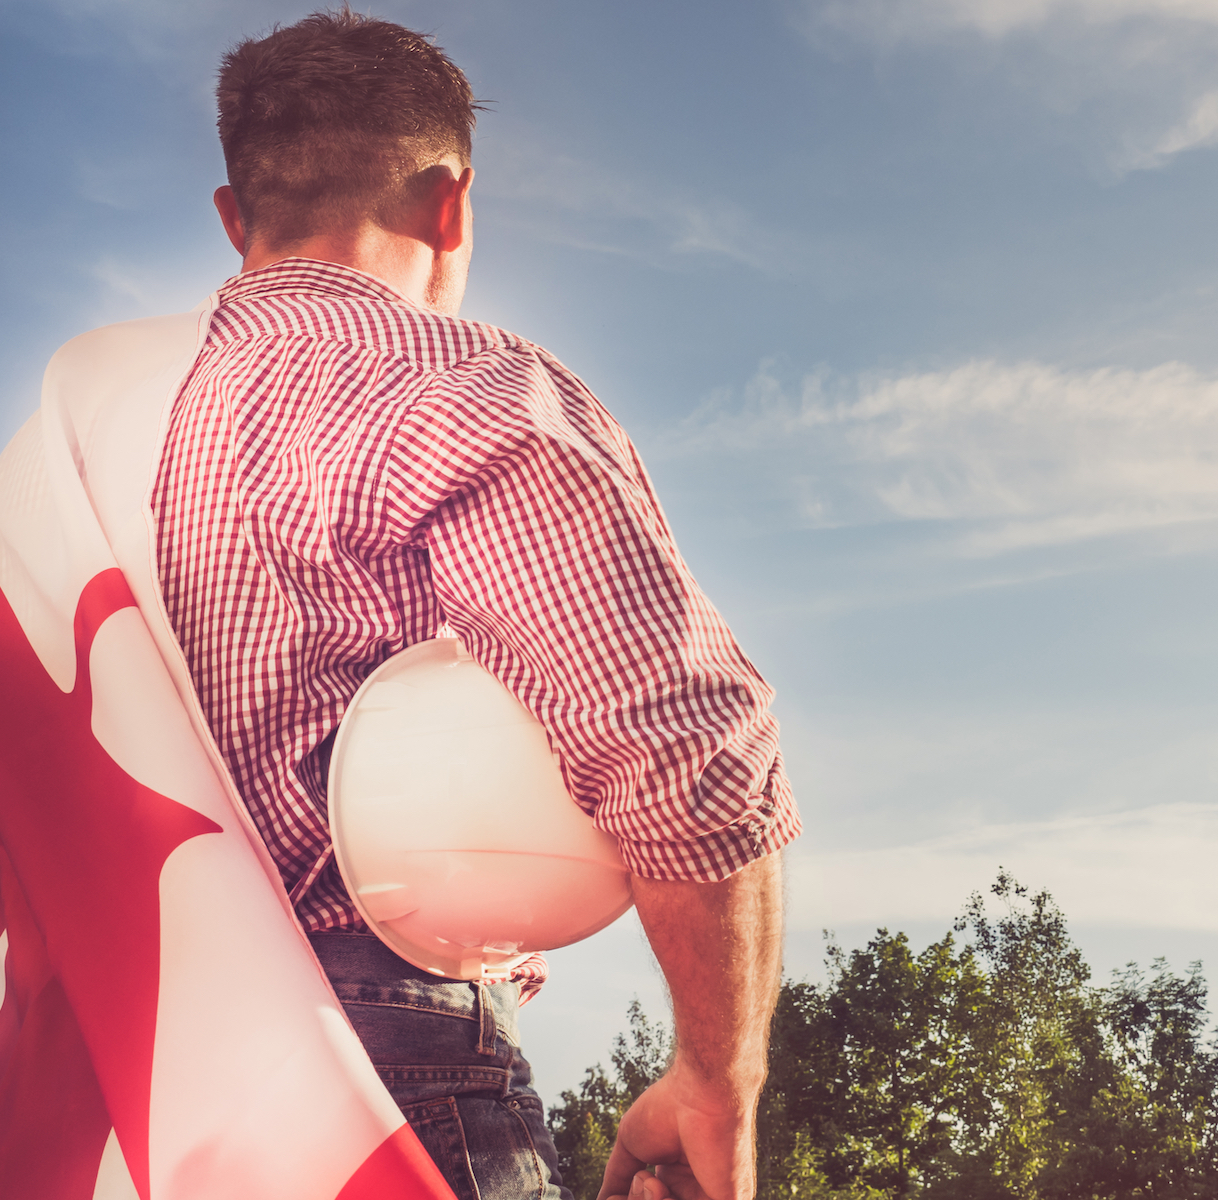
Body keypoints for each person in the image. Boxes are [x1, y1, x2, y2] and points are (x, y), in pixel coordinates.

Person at [159, 11, 799, 1200]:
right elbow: (683, 747)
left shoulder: (92, 435)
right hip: (379, 1054)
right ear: (449, 202)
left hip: (126, 1062)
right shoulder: (455, 388)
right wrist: (719, 1074)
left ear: (232, 216)